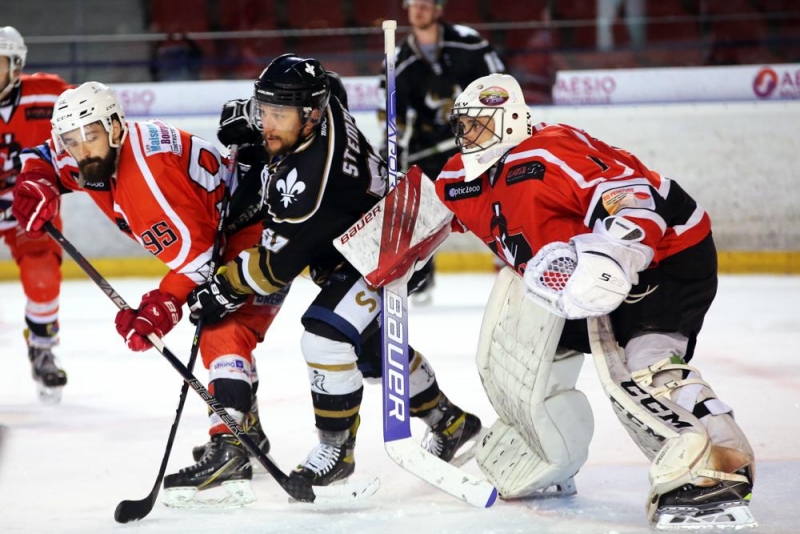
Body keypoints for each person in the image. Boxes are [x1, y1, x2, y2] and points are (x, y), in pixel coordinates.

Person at [425, 73, 754, 529]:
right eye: (464, 125)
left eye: (479, 125)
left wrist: (614, 257)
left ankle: (719, 466)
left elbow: (633, 196)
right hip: (570, 280)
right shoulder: (464, 175)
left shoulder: (550, 150)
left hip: (663, 258)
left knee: (646, 367)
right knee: (521, 361)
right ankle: (550, 454)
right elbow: (423, 213)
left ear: (512, 122)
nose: (467, 136)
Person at [187, 54, 482, 488]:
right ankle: (451, 423)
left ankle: (336, 448)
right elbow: (330, 82)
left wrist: (224, 287)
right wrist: (254, 118)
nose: (267, 123)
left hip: (387, 249)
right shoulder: (324, 105)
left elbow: (272, 268)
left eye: (277, 115)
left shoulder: (309, 184)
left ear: (309, 117)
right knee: (368, 349)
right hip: (369, 228)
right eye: (264, 109)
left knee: (326, 337)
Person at [11, 82, 281, 507]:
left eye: (92, 136)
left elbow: (199, 261)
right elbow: (44, 154)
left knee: (221, 327)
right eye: (74, 140)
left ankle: (231, 447)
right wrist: (37, 182)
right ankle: (246, 432)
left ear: (116, 128)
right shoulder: (94, 146)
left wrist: (160, 306)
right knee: (221, 326)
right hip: (219, 223)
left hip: (254, 227)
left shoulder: (147, 184)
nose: (83, 149)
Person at [379, 0, 506, 304]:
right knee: (421, 211)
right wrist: (392, 152)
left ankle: (511, 258)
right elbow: (392, 115)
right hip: (431, 148)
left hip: (480, 141)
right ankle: (422, 277)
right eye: (413, 4)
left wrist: (497, 131)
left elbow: (501, 86)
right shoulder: (400, 59)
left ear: (438, 8)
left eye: (425, 4)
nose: (417, 10)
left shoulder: (469, 43)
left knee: (502, 196)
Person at [0, 26, 71, 403]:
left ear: (16, 66)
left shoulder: (49, 93)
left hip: (26, 208)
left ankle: (42, 347)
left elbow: (87, 124)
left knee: (42, 271)